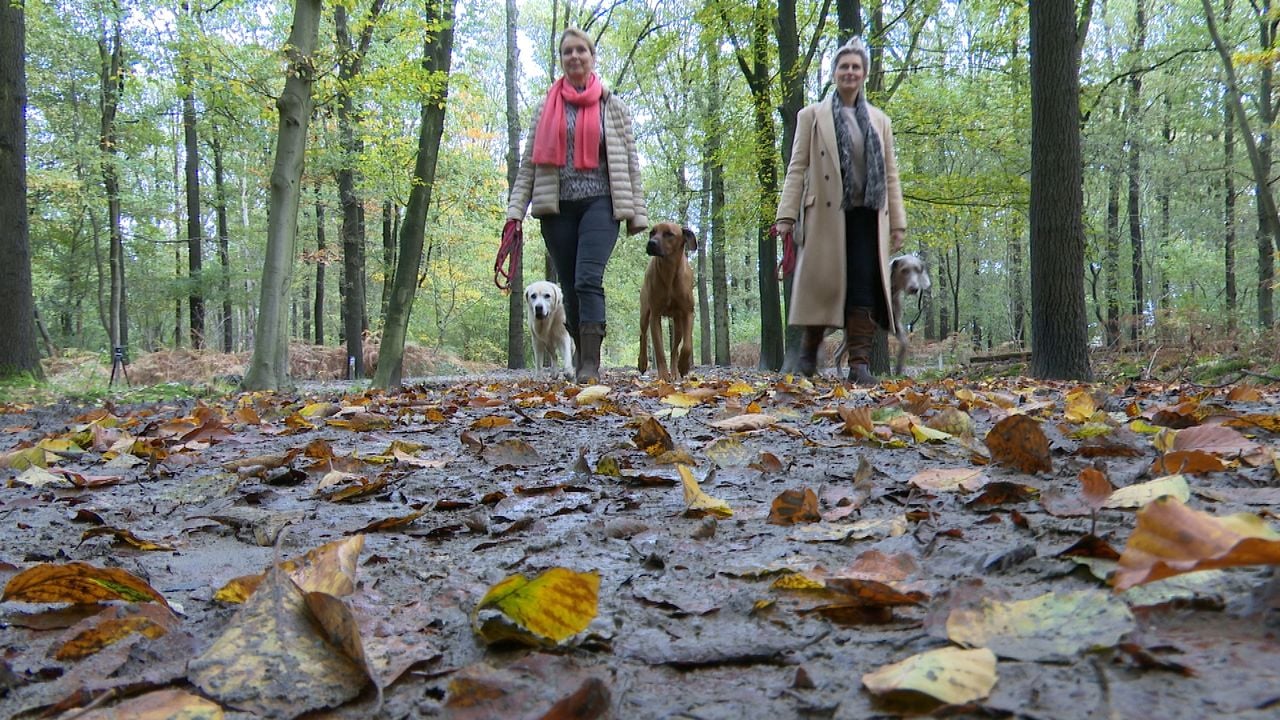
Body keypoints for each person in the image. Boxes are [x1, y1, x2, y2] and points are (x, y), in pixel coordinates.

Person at [503, 28, 648, 383]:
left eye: (581, 50)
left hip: (600, 202)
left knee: (587, 279)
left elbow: (630, 161)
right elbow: (528, 165)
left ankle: (589, 366)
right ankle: (580, 354)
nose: (575, 56)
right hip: (557, 208)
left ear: (592, 56)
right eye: (567, 51)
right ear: (562, 59)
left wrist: (638, 213)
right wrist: (514, 213)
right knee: (568, 285)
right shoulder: (545, 107)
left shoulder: (613, 107)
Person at [774, 37, 906, 385]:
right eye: (843, 66)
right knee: (821, 285)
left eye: (856, 67)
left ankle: (859, 363)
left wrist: (898, 223)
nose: (850, 72)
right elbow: (797, 166)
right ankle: (808, 355)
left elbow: (891, 173)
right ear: (834, 73)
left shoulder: (880, 120)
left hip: (868, 215)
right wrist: (786, 216)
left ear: (864, 73)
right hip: (826, 216)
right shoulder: (811, 116)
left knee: (864, 285)